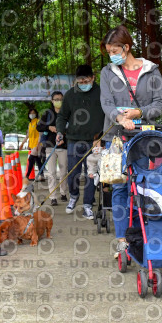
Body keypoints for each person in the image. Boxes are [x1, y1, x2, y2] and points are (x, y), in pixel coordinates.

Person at [98, 25, 162, 258]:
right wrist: (120, 118)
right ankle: (122, 241)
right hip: (117, 138)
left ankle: (140, 237)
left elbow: (160, 104)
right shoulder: (107, 72)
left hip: (144, 137)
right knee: (119, 187)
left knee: (142, 186)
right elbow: (106, 103)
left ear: (126, 47)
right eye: (109, 52)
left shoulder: (151, 70)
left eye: (114, 51)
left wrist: (139, 112)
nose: (111, 55)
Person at [56, 65, 105, 219]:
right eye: (80, 81)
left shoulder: (102, 93)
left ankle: (87, 205)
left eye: (86, 80)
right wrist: (59, 131)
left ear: (93, 77)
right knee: (73, 173)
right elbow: (62, 116)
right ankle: (74, 195)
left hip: (95, 141)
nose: (83, 83)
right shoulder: (70, 94)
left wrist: (102, 137)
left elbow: (109, 115)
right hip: (73, 140)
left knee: (91, 174)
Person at [37, 91, 69, 206]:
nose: (58, 101)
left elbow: (72, 127)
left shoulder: (67, 112)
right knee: (51, 173)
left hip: (63, 146)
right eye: (56, 99)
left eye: (60, 99)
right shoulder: (48, 113)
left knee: (63, 172)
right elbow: (39, 127)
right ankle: (53, 197)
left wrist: (64, 133)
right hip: (50, 146)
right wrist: (49, 127)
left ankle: (63, 192)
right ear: (52, 101)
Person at [20, 109, 45, 181]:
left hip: (38, 144)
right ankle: (42, 175)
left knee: (31, 158)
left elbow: (40, 134)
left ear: (36, 114)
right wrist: (22, 143)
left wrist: (38, 145)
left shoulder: (38, 122)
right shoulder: (30, 124)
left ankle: (27, 175)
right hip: (32, 144)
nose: (32, 114)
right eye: (30, 113)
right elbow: (28, 135)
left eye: (33, 113)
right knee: (37, 160)